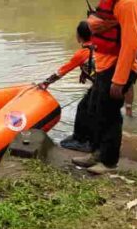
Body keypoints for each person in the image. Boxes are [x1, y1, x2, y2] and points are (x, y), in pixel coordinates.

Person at [72, 0, 137, 175]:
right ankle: (96, 153)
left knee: (109, 115)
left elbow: (131, 44)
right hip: (106, 65)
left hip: (118, 68)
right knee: (95, 110)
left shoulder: (128, 2)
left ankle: (108, 162)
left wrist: (120, 79)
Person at [39, 21, 95, 153]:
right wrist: (84, 71)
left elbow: (62, 71)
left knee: (84, 108)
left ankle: (84, 141)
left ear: (79, 36)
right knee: (86, 108)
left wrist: (45, 83)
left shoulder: (82, 53)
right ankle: (81, 137)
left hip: (102, 85)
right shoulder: (97, 46)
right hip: (108, 82)